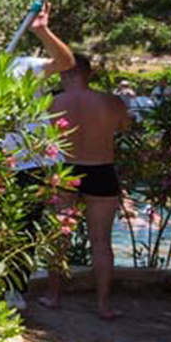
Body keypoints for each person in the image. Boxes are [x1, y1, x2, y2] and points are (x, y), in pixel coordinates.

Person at [43, 53, 133, 320]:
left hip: (67, 170)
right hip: (102, 169)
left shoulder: (53, 102)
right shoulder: (111, 102)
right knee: (101, 242)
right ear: (88, 73)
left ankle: (53, 296)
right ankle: (103, 306)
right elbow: (124, 127)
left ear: (63, 74)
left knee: (59, 237)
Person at [2, 2, 76, 309]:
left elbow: (65, 61)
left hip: (32, 161)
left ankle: (14, 291)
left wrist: (42, 31)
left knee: (24, 228)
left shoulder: (23, 65)